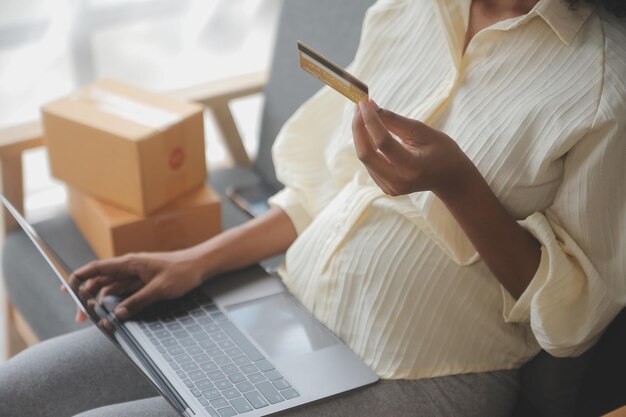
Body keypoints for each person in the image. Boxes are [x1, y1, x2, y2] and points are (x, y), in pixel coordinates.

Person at [1, 0, 625, 416]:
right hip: (290, 314)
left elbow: (573, 319)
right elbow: (323, 188)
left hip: (422, 371)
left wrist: (458, 184)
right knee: (20, 388)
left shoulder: (602, 81)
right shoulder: (405, 11)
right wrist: (194, 261)